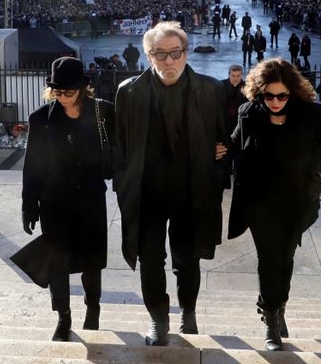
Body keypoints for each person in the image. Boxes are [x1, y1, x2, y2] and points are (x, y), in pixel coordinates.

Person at [113, 21, 230, 346]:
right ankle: (158, 321)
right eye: (160, 54)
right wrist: (123, 186)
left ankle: (188, 314)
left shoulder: (211, 90)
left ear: (185, 52)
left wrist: (219, 165)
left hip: (191, 189)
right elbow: (119, 148)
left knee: (188, 258)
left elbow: (225, 139)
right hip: (146, 191)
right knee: (150, 259)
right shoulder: (129, 92)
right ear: (149, 56)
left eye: (174, 53)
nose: (168, 61)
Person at [228, 58, 321, 351]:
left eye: (281, 95)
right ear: (259, 91)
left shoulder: (309, 113)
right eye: (268, 95)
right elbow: (236, 147)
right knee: (268, 259)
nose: (275, 101)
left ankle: (279, 307)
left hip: (295, 200)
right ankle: (271, 322)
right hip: (259, 201)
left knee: (286, 259)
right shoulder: (249, 112)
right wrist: (260, 125)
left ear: (292, 90)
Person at [17, 57, 114, 342]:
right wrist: (28, 204)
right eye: (57, 92)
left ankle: (93, 309)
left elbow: (123, 150)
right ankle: (63, 316)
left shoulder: (104, 113)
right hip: (54, 202)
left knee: (92, 259)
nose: (62, 97)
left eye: (67, 92)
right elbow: (32, 164)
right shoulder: (40, 119)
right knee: (56, 262)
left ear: (82, 89)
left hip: (91, 200)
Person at [221, 64, 247, 136]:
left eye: (238, 76)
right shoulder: (221, 85)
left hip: (240, 121)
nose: (236, 78)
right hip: (225, 120)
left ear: (241, 75)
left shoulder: (247, 87)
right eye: (233, 76)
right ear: (229, 75)